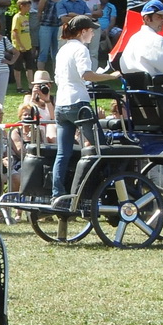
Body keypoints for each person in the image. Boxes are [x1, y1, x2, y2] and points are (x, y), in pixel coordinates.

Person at [50, 15, 114, 202]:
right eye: (91, 30)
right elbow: (86, 75)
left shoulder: (63, 49)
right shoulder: (80, 49)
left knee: (62, 153)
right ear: (82, 31)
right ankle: (100, 192)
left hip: (61, 104)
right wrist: (111, 77)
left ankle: (58, 194)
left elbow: (59, 78)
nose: (93, 34)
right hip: (78, 103)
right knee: (100, 147)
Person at [9, 0, 35, 93]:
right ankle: (19, 86)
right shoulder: (17, 17)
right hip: (19, 47)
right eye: (27, 6)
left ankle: (31, 86)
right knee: (18, 67)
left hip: (27, 46)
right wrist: (20, 45)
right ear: (21, 6)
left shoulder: (25, 17)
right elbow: (15, 32)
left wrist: (29, 44)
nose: (29, 8)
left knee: (29, 66)